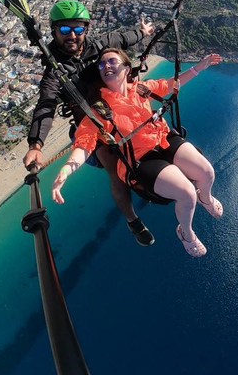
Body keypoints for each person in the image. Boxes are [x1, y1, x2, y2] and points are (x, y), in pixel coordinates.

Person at [51, 48, 223, 257]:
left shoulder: (141, 88)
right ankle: (186, 232)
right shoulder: (99, 110)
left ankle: (205, 198)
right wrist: (67, 170)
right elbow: (85, 144)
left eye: (112, 61)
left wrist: (198, 68)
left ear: (125, 67)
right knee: (186, 193)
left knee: (207, 172)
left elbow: (169, 85)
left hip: (163, 139)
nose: (106, 67)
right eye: (102, 65)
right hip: (139, 158)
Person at [23, 0, 156, 246]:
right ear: (54, 31)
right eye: (65, 30)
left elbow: (121, 39)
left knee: (152, 135)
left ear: (86, 29)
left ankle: (156, 181)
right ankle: (132, 220)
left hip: (118, 106)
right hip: (92, 125)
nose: (72, 35)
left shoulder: (96, 47)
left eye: (77, 29)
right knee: (115, 168)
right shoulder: (55, 71)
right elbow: (46, 105)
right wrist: (36, 144)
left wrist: (143, 32)